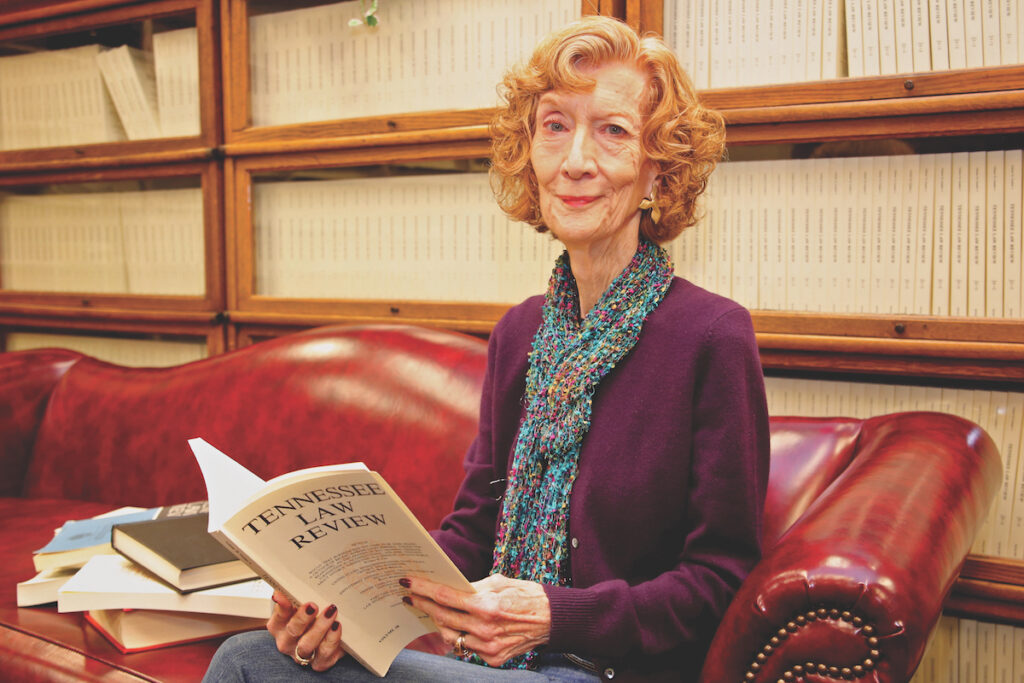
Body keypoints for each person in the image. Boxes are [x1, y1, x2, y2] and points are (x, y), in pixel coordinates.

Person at [204, 15, 768, 683]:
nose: (575, 159)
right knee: (264, 657)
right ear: (529, 156)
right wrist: (341, 611)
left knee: (239, 665)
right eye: (554, 126)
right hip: (497, 664)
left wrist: (556, 614)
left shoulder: (712, 336)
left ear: (659, 173)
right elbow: (473, 534)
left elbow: (720, 578)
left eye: (613, 131)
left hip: (609, 671)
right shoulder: (520, 333)